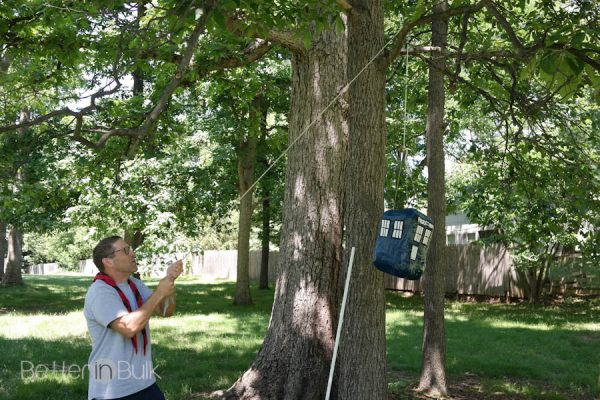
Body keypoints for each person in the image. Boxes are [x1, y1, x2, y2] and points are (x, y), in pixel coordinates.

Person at [84, 236, 183, 400]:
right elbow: (128, 328)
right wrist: (159, 293)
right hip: (112, 390)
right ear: (108, 261)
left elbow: (165, 311)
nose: (133, 253)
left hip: (144, 382)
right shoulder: (100, 292)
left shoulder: (134, 284)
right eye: (125, 250)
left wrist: (169, 280)